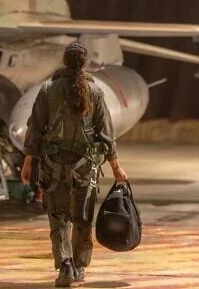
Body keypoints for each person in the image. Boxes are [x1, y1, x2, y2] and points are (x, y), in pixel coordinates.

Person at [21, 41, 128, 287]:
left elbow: (35, 129)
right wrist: (116, 167)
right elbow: (106, 133)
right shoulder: (95, 92)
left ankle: (65, 266)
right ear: (85, 63)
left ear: (65, 61)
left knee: (58, 218)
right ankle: (79, 266)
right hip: (85, 169)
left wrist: (28, 162)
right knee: (82, 218)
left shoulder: (48, 90)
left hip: (53, 166)